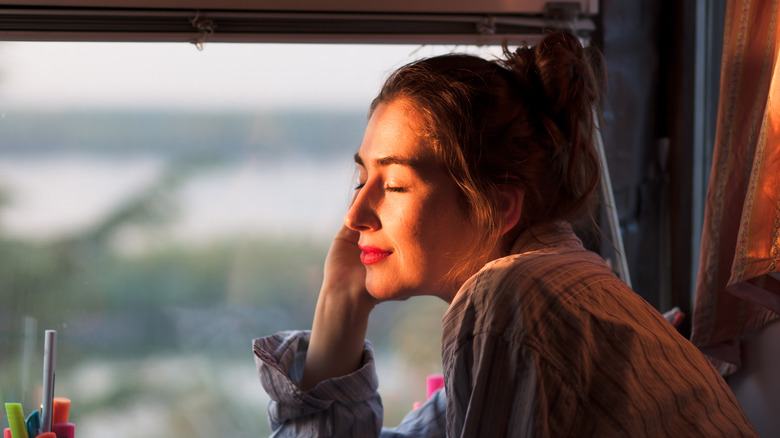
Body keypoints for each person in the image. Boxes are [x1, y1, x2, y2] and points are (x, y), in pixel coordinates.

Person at [253, 32, 758, 437]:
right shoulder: (547, 292)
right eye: (362, 179)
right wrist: (342, 304)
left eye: (397, 184)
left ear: (498, 206)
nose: (355, 213)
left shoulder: (514, 300)